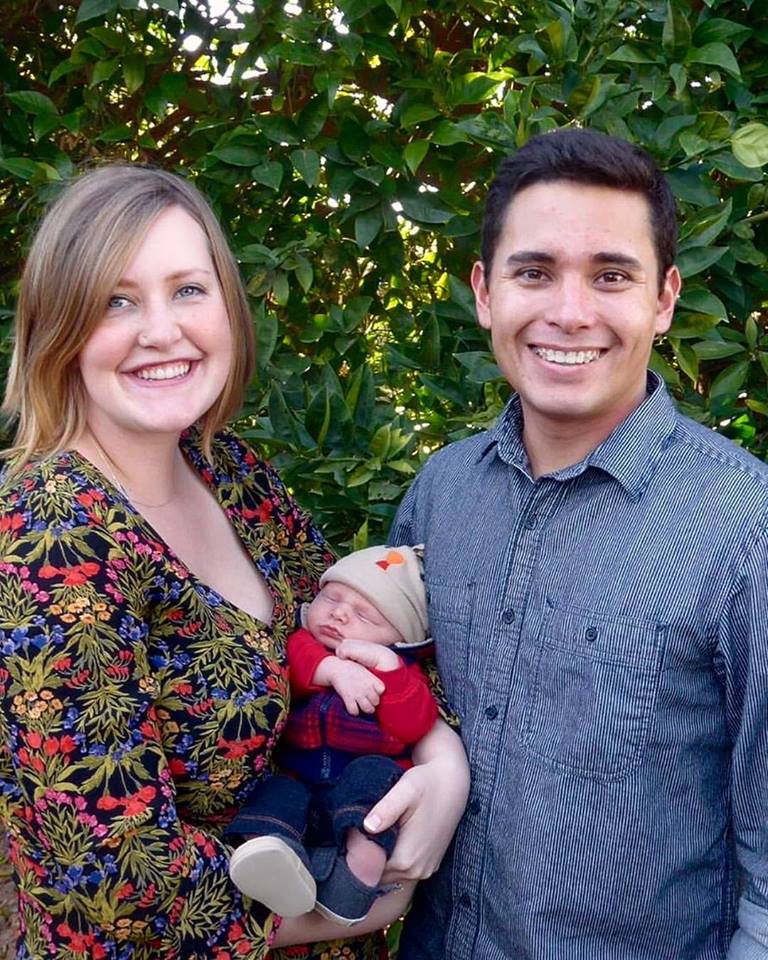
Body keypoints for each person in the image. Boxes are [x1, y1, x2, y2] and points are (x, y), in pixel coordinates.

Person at [0, 164, 469, 960]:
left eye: (188, 289)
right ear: (61, 327)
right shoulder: (52, 530)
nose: (162, 331)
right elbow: (111, 882)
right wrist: (364, 909)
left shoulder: (229, 471)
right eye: (117, 301)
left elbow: (364, 625)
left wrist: (442, 760)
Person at [390, 128, 768, 959]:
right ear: (485, 293)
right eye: (534, 272)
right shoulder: (440, 496)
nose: (569, 312)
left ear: (664, 299)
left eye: (611, 275)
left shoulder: (747, 529)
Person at [227, 544, 438, 926]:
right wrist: (333, 669)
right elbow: (293, 663)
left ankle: (356, 877)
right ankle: (274, 859)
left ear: (400, 636)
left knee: (373, 801)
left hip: (364, 777)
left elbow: (415, 725)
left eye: (364, 614)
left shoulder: (403, 670)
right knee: (276, 797)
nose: (339, 614)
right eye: (332, 597)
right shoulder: (307, 646)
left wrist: (389, 670)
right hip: (300, 775)